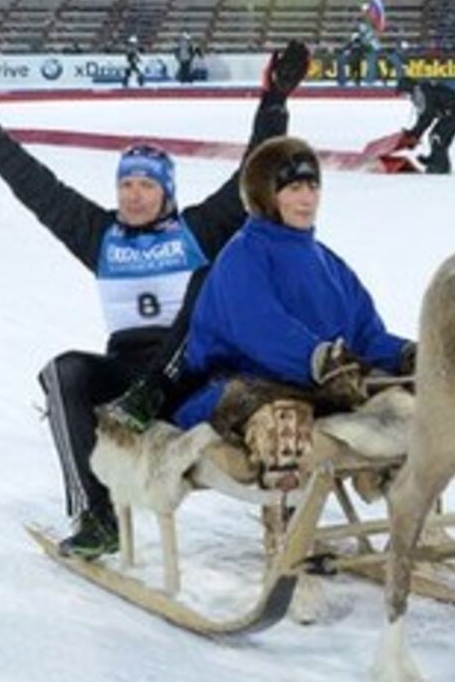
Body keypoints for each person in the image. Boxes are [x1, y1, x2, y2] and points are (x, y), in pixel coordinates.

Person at [0, 42, 310, 559]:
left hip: (192, 372)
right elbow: (30, 181)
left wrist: (274, 100)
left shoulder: (198, 229)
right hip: (129, 387)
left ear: (166, 191)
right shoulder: (97, 235)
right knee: (64, 373)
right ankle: (95, 516)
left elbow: (251, 173)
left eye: (147, 184)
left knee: (208, 285)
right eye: (126, 183)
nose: (134, 194)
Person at [169, 136, 414, 478]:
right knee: (286, 421)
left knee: (413, 408)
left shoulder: (329, 263)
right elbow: (259, 327)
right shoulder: (243, 254)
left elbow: (365, 335)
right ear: (265, 194)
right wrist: (317, 359)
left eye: (313, 187)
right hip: (232, 389)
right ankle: (282, 523)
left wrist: (406, 353)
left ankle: (415, 520)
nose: (307, 199)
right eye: (294, 188)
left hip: (314, 388)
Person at [395, 79, 455, 174]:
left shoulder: (421, 93)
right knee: (437, 135)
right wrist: (414, 133)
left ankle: (441, 167)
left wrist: (415, 135)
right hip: (453, 108)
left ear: (408, 88)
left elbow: (427, 117)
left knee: (437, 136)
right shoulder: (420, 91)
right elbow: (423, 116)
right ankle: (435, 158)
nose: (405, 97)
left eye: (404, 94)